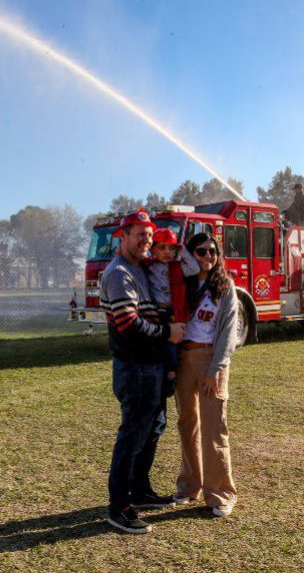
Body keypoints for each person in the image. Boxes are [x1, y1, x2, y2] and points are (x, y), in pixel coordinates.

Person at [99, 209, 185, 534]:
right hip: (135, 367)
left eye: (150, 235)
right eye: (139, 235)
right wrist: (168, 334)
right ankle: (119, 507)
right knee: (133, 435)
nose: (147, 241)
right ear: (123, 236)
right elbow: (128, 324)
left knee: (154, 427)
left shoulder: (141, 270)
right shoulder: (119, 273)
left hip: (152, 366)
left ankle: (140, 491)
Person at [174, 232, 239, 517]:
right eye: (201, 251)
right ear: (191, 254)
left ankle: (221, 493)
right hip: (184, 359)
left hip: (211, 360)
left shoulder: (225, 287)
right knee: (188, 423)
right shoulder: (181, 284)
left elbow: (228, 333)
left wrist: (215, 369)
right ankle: (190, 486)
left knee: (214, 427)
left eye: (213, 251)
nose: (208, 256)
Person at [146, 228, 199, 398]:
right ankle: (168, 374)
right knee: (161, 346)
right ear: (153, 249)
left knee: (172, 345)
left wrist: (182, 251)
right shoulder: (148, 266)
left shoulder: (177, 267)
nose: (167, 252)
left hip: (173, 312)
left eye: (171, 248)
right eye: (162, 247)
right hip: (156, 312)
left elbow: (195, 268)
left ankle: (171, 375)